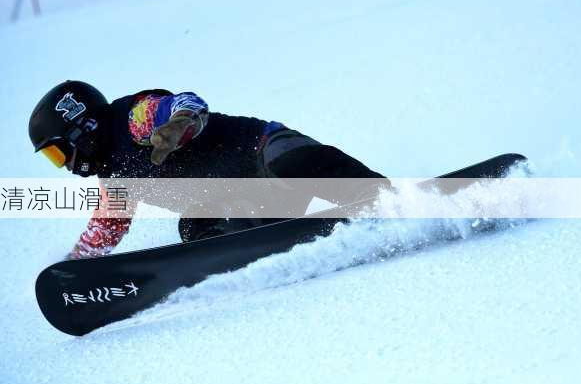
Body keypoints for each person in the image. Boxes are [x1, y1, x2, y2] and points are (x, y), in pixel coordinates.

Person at [29, 80, 389, 259]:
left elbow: (186, 103)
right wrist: (77, 266)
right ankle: (246, 253)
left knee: (289, 162)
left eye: (60, 154)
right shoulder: (115, 179)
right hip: (258, 201)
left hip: (267, 150)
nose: (66, 165)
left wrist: (179, 122)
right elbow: (105, 228)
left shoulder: (133, 120)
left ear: (83, 130)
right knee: (195, 225)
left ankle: (380, 199)